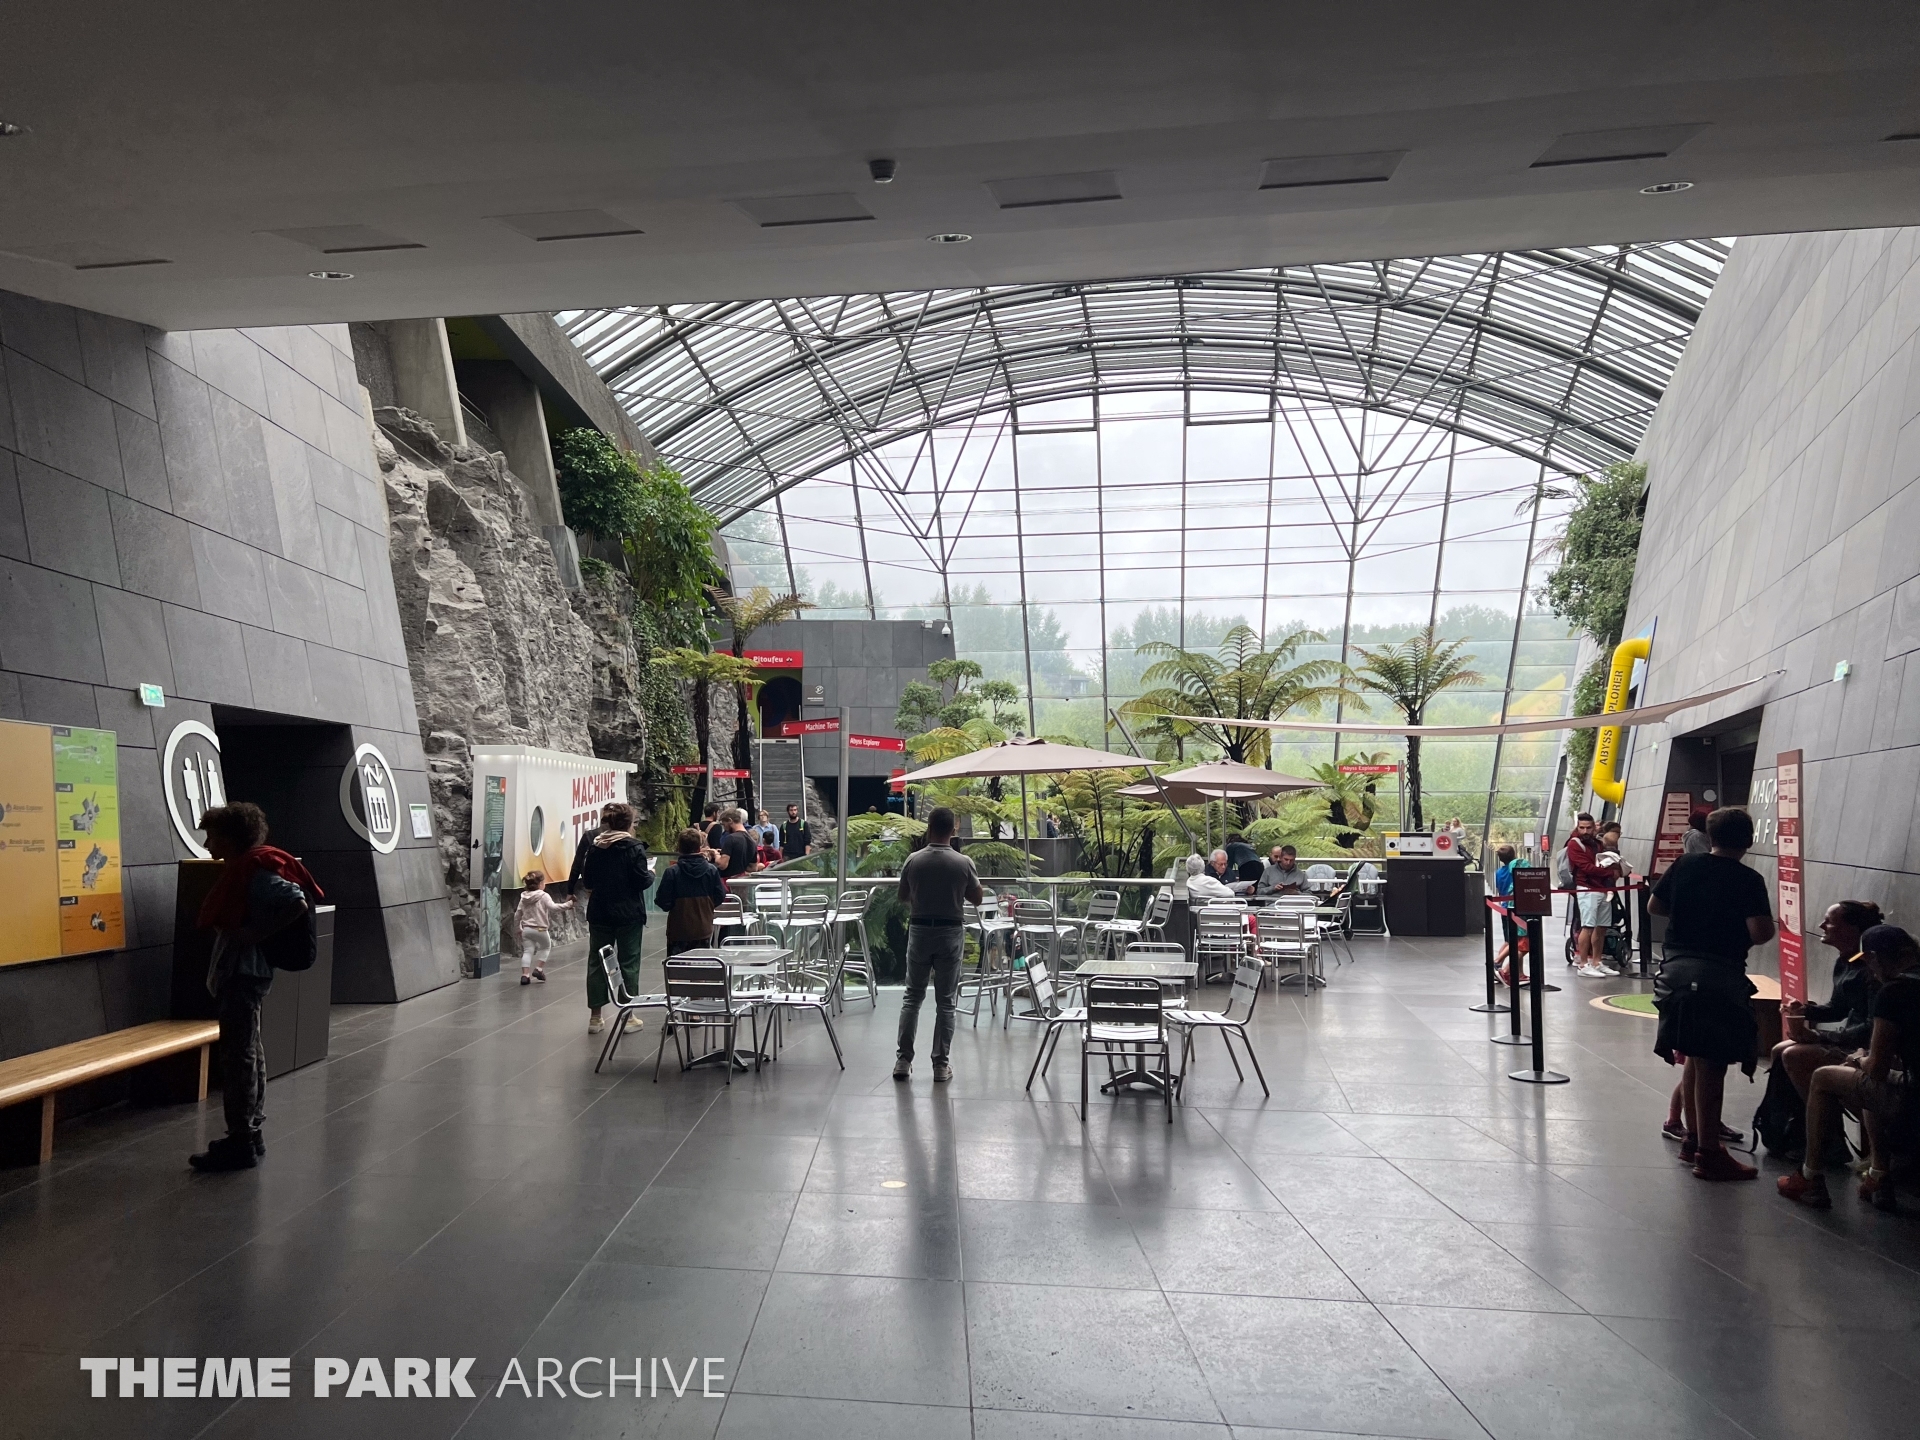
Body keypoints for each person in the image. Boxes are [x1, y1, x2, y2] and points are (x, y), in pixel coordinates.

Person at [1647, 806, 1776, 1182]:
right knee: (1713, 1063)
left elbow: (1656, 905)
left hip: (1675, 971)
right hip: (1718, 975)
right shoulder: (1749, 879)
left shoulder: (1685, 864)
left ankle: (1692, 1139)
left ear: (1710, 835)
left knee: (1693, 1053)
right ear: (1748, 839)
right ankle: (1709, 1152)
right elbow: (1760, 932)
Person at [189, 802, 318, 1172]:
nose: (208, 845)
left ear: (230, 839)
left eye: (213, 837)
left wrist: (255, 934)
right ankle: (250, 1132)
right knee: (248, 1050)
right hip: (246, 972)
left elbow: (295, 902)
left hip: (243, 973)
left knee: (239, 1056)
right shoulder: (247, 869)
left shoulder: (254, 872)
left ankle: (241, 1139)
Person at [1779, 924, 1920, 1211]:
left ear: (1874, 958)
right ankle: (1879, 1175)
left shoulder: (1894, 992)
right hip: (1910, 1083)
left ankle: (1811, 1177)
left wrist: (1857, 1059)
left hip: (1911, 1097)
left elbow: (1877, 1068)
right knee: (1868, 1082)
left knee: (1824, 1077)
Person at [894, 806, 983, 1083]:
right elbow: (977, 898)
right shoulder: (963, 862)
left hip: (920, 929)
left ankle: (903, 1061)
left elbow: (902, 895)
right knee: (946, 1002)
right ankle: (940, 1066)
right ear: (953, 829)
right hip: (950, 932)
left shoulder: (914, 860)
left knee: (912, 998)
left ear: (929, 827)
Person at [1773, 900, 1885, 1102]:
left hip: (1864, 1047)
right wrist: (1804, 1011)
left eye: (1829, 922)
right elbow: (1837, 1009)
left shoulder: (1873, 970)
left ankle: (1821, 1112)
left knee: (1792, 1055)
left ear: (1851, 929)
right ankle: (1795, 1117)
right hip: (1849, 1039)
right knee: (1778, 1051)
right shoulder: (1844, 961)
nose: (1821, 926)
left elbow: (1871, 1028)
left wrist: (1819, 1036)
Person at [577, 802, 652, 1036]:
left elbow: (588, 881)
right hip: (629, 913)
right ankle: (628, 1015)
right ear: (629, 824)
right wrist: (651, 874)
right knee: (629, 962)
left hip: (600, 912)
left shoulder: (595, 847)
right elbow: (641, 881)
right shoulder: (634, 847)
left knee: (597, 961)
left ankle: (595, 1017)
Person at [655, 827, 729, 955]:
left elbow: (663, 901)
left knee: (676, 964)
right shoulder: (711, 871)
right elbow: (720, 895)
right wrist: (706, 907)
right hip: (703, 928)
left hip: (678, 929)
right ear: (699, 848)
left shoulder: (672, 872)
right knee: (701, 962)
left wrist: (676, 906)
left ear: (679, 848)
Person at [1567, 812, 1622, 978]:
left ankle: (1597, 962)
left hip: (1601, 888)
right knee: (1588, 926)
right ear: (1577, 827)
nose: (1585, 831)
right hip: (1587, 888)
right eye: (1582, 827)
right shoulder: (1574, 844)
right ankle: (1583, 964)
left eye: (1588, 828)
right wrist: (1609, 873)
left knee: (1602, 926)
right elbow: (1586, 867)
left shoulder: (1597, 843)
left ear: (1594, 827)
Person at [514, 870, 571, 985]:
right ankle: (539, 969)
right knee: (546, 947)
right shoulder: (543, 896)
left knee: (527, 951)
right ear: (540, 884)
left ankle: (525, 976)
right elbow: (554, 908)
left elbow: (517, 915)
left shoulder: (523, 897)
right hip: (540, 929)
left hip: (526, 929)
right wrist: (569, 904)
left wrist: (518, 928)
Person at [714, 807, 761, 882]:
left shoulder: (731, 838)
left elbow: (722, 865)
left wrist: (715, 854)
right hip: (742, 882)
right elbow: (753, 868)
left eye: (724, 825)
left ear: (730, 821)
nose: (725, 829)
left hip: (728, 882)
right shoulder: (752, 841)